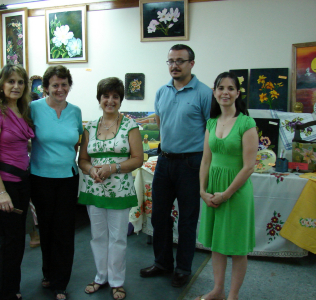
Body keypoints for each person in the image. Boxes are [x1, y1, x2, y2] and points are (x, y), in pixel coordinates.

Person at [140, 44, 212, 287]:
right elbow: (160, 124)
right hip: (164, 160)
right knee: (159, 216)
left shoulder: (204, 93)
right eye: (170, 61)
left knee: (187, 220)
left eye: (180, 61)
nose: (174, 65)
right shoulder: (162, 92)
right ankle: (162, 263)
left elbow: (210, 132)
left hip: (192, 163)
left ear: (192, 63)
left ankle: (183, 268)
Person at [78, 77, 144, 300]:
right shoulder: (90, 126)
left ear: (120, 100)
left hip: (120, 190)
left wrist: (113, 167)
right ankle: (100, 276)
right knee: (98, 236)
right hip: (94, 189)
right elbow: (83, 160)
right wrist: (91, 170)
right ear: (99, 99)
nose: (110, 100)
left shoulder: (130, 126)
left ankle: (117, 281)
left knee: (117, 238)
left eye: (115, 96)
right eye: (106, 96)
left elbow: (138, 159)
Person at [196, 72, 258, 300]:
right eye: (221, 88)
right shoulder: (211, 123)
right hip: (213, 188)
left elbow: (249, 166)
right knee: (217, 244)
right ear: (214, 92)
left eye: (231, 88)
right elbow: (206, 160)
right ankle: (218, 290)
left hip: (236, 191)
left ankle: (233, 295)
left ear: (237, 93)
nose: (225, 92)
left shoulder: (246, 123)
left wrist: (226, 194)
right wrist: (202, 190)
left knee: (237, 247)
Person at [29, 65, 83, 300]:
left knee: (64, 231)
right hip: (40, 177)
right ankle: (47, 273)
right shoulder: (34, 108)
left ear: (69, 86)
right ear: (46, 88)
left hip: (68, 178)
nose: (60, 89)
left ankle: (60, 281)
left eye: (64, 84)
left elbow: (78, 141)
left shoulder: (76, 111)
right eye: (55, 85)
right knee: (47, 229)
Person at [0, 64, 34, 300]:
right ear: (1, 85)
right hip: (5, 183)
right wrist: (1, 192)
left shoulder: (20, 111)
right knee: (9, 242)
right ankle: (2, 294)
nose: (16, 86)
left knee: (16, 242)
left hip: (21, 181)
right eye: (11, 81)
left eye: (21, 82)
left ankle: (12, 289)